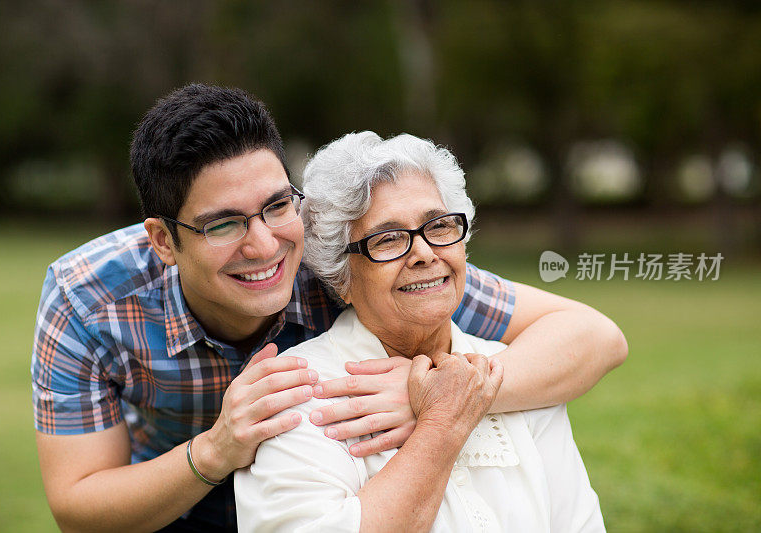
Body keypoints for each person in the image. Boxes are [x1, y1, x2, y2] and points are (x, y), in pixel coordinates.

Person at [31, 84, 626, 531]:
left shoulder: (340, 251)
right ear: (164, 239)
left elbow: (593, 337)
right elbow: (79, 504)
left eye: (275, 205)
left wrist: (444, 389)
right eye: (223, 224)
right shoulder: (89, 299)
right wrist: (217, 448)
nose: (264, 245)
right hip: (166, 500)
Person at [235, 131, 607, 532]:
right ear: (341, 276)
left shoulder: (523, 375)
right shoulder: (300, 394)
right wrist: (442, 418)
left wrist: (464, 390)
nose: (426, 253)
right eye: (388, 238)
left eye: (440, 226)